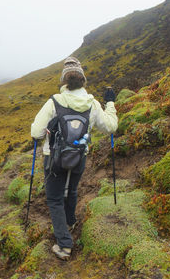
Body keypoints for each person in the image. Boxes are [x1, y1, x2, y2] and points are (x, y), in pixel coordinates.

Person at [30, 56, 118, 260]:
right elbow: (111, 127)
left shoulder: (55, 101)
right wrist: (111, 103)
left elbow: (36, 132)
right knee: (72, 190)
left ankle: (64, 245)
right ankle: (70, 222)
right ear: (83, 80)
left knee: (54, 199)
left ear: (64, 81)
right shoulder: (93, 103)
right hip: (79, 157)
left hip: (54, 159)